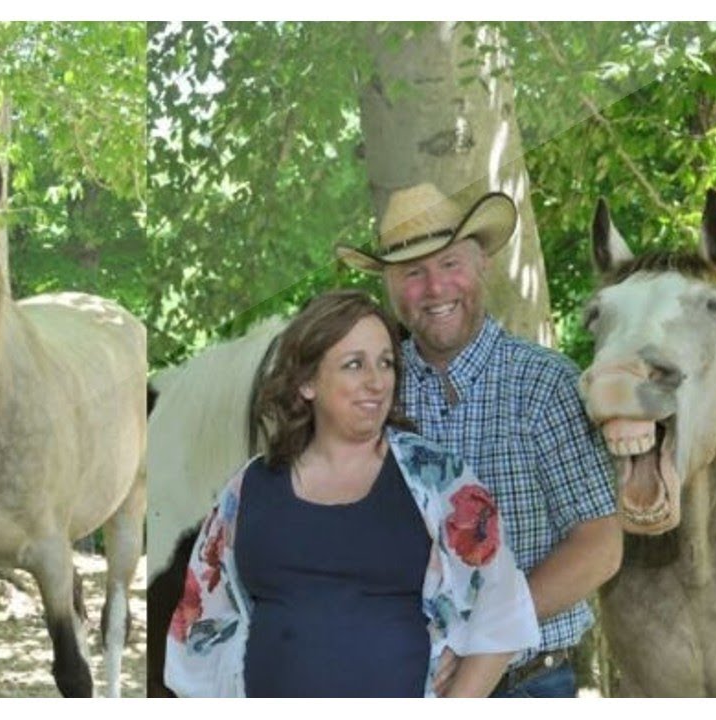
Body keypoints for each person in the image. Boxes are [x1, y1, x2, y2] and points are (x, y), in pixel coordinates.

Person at [164, 290, 540, 697]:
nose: (377, 382)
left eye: (386, 363)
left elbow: (502, 612)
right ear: (307, 381)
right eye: (354, 364)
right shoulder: (249, 488)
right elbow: (199, 630)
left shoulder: (439, 481)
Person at [335, 183, 622, 697]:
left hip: (530, 685)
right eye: (412, 273)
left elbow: (599, 545)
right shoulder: (374, 395)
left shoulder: (545, 385)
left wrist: (480, 636)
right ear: (390, 287)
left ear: (482, 262)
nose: (435, 288)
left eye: (449, 264)